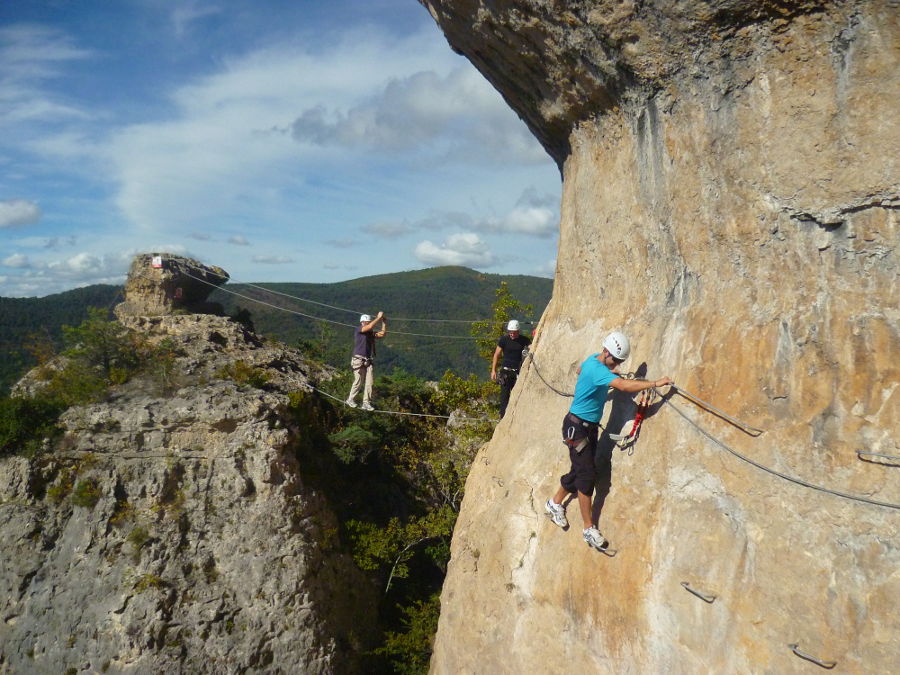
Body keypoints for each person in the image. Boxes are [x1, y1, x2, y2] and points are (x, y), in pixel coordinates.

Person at [544, 331, 672, 550]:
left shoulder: (594, 360)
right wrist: (655, 383)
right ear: (607, 353)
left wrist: (611, 371)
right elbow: (622, 386)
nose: (617, 364)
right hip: (578, 428)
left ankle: (554, 504)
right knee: (587, 477)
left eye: (620, 361)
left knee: (581, 468)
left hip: (585, 427)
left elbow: (583, 369)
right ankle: (588, 528)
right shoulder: (597, 369)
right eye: (617, 360)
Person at [490, 319, 532, 418]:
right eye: (510, 332)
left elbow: (533, 347)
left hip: (517, 372)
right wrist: (493, 370)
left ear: (518, 331)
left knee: (517, 396)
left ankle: (516, 416)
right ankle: (503, 418)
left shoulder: (523, 340)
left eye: (513, 332)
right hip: (505, 371)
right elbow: (496, 354)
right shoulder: (504, 340)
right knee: (504, 397)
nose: (511, 334)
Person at [346, 311, 386, 411]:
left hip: (367, 360)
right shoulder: (359, 330)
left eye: (368, 322)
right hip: (358, 359)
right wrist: (378, 318)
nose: (368, 323)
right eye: (366, 322)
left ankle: (366, 402)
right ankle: (350, 399)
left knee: (369, 382)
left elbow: (382, 334)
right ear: (362, 322)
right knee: (358, 381)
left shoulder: (370, 333)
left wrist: (384, 322)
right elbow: (368, 327)